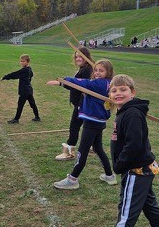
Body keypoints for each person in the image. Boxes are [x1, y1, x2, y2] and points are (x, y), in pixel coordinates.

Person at [91, 74, 159, 227]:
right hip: (140, 168)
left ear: (132, 93)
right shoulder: (124, 111)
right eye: (114, 90)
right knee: (148, 204)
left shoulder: (132, 113)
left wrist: (119, 164)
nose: (118, 93)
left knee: (127, 210)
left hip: (136, 170)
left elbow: (133, 145)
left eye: (123, 89)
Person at [47, 59, 116, 190]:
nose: (97, 73)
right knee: (98, 148)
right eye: (95, 70)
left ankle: (73, 179)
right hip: (98, 121)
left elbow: (81, 82)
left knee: (82, 151)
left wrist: (64, 80)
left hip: (92, 121)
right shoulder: (108, 83)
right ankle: (109, 175)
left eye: (101, 70)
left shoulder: (98, 84)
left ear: (108, 72)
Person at [54, 46, 93, 161]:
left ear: (86, 56)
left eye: (80, 56)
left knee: (74, 126)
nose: (77, 58)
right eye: (76, 56)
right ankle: (93, 145)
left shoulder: (87, 69)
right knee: (88, 125)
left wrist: (62, 83)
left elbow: (79, 86)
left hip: (82, 104)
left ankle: (69, 152)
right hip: (82, 103)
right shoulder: (85, 68)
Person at [1, 54, 40, 124]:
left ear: (28, 62)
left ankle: (16, 119)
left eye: (23, 61)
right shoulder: (29, 69)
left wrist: (5, 77)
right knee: (32, 104)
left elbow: (15, 74)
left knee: (20, 105)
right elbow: (31, 75)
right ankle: (37, 117)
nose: (22, 63)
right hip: (29, 90)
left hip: (24, 91)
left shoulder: (24, 70)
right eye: (21, 61)